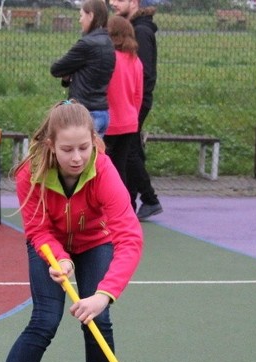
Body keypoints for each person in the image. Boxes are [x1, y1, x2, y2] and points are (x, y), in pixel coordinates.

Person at [0, 100, 144, 362]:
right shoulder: (31, 173)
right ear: (50, 145)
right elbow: (38, 230)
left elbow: (130, 237)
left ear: (94, 142)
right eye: (67, 149)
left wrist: (104, 294)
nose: (77, 157)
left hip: (94, 242)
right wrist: (59, 258)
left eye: (84, 147)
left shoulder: (103, 171)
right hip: (48, 247)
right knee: (44, 321)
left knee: (99, 322)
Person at [109, 0, 163, 220]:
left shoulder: (140, 31)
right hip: (132, 102)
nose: (112, 2)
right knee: (131, 151)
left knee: (129, 152)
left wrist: (135, 106)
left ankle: (149, 198)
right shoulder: (135, 28)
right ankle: (132, 200)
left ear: (133, 2)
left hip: (134, 102)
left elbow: (144, 74)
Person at [50, 0, 115, 136]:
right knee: (94, 156)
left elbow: (56, 69)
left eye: (81, 15)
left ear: (90, 16)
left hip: (85, 114)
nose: (80, 20)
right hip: (102, 111)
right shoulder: (109, 43)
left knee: (79, 156)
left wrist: (69, 72)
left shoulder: (87, 44)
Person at [103, 16, 143, 197]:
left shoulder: (109, 58)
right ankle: (124, 208)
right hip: (129, 122)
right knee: (121, 167)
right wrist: (133, 114)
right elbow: (138, 95)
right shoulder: (135, 60)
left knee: (105, 168)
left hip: (110, 122)